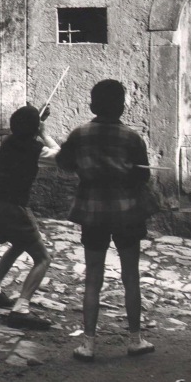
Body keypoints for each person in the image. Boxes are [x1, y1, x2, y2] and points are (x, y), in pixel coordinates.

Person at [56, 79, 154, 361]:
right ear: (122, 107)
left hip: (93, 212)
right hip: (127, 212)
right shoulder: (132, 138)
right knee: (131, 276)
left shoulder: (80, 134)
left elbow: (64, 163)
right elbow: (143, 175)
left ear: (92, 105)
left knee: (93, 277)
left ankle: (88, 344)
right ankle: (135, 339)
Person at [0, 104, 60, 330]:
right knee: (43, 259)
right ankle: (21, 309)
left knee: (19, 244)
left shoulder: (8, 142)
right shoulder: (36, 149)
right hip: (13, 209)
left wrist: (35, 124)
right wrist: (44, 133)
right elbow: (61, 157)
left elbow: (24, 132)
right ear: (34, 129)